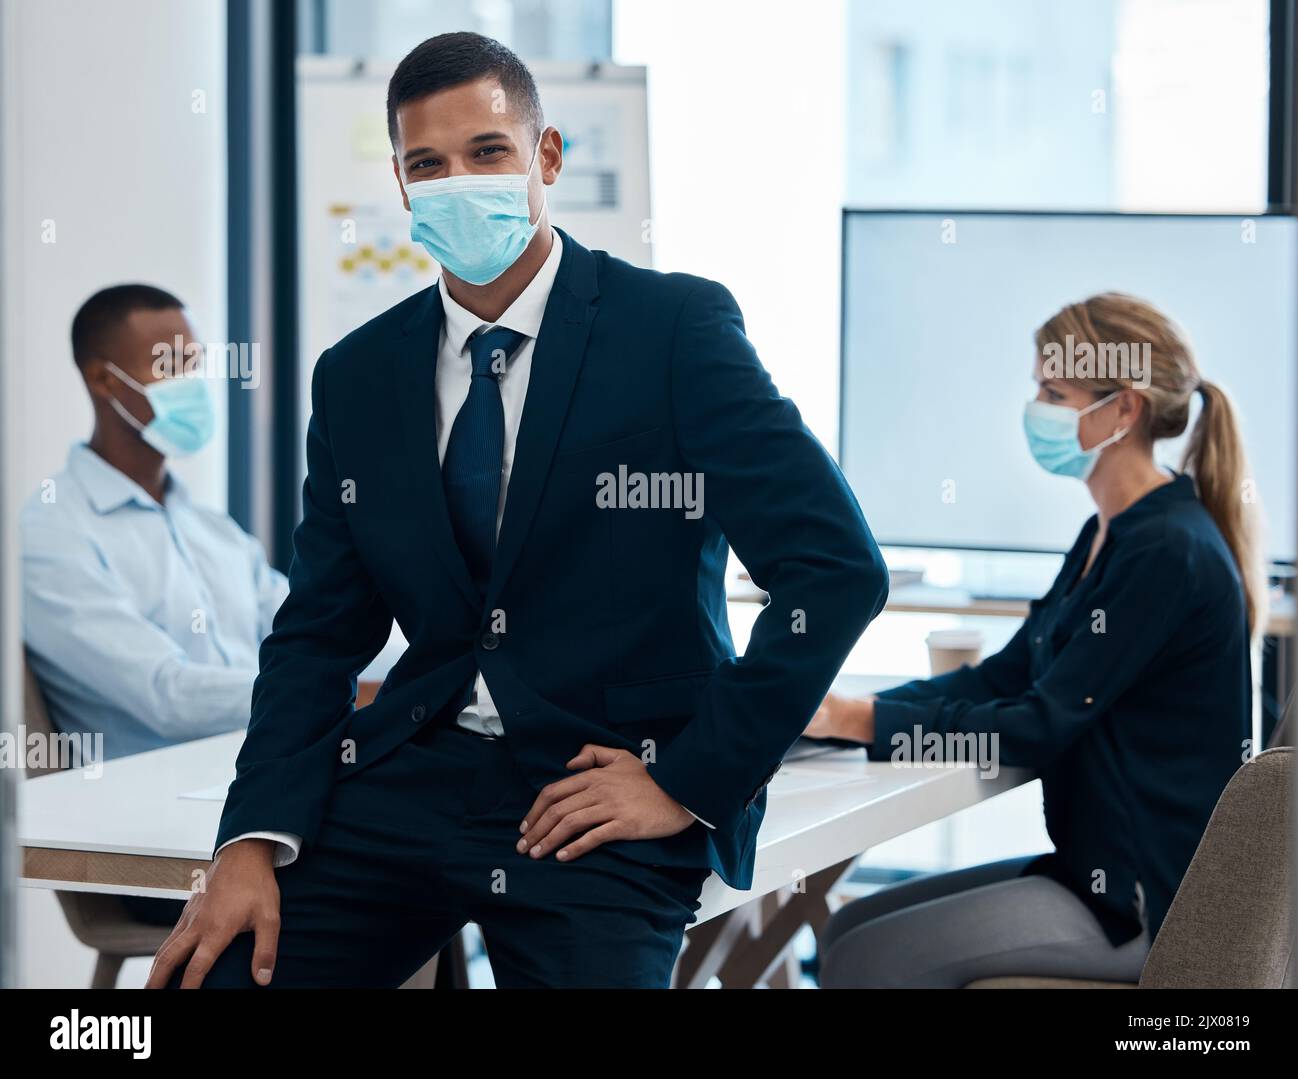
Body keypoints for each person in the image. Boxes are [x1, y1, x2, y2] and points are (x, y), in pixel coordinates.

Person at [148, 32, 888, 989]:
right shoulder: (358, 376)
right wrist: (250, 836)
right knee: (208, 982)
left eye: (487, 152)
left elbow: (834, 570)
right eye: (429, 163)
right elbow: (319, 632)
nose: (458, 181)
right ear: (404, 185)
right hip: (415, 772)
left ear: (546, 157)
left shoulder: (673, 332)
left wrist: (684, 779)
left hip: (603, 787)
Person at [808, 292, 1260, 988]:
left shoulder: (1166, 552)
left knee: (867, 957)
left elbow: (1039, 723)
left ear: (1124, 409)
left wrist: (856, 719)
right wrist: (845, 715)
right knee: (841, 929)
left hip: (1143, 900)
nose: (1037, 409)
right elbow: (1007, 677)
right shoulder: (1110, 534)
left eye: (1055, 391)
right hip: (1093, 872)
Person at [22, 284, 289, 924]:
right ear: (103, 380)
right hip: (156, 846)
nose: (191, 383)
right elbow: (163, 695)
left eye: (194, 364)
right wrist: (322, 692)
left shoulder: (209, 528)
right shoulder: (50, 533)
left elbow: (303, 629)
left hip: (259, 796)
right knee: (392, 881)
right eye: (168, 366)